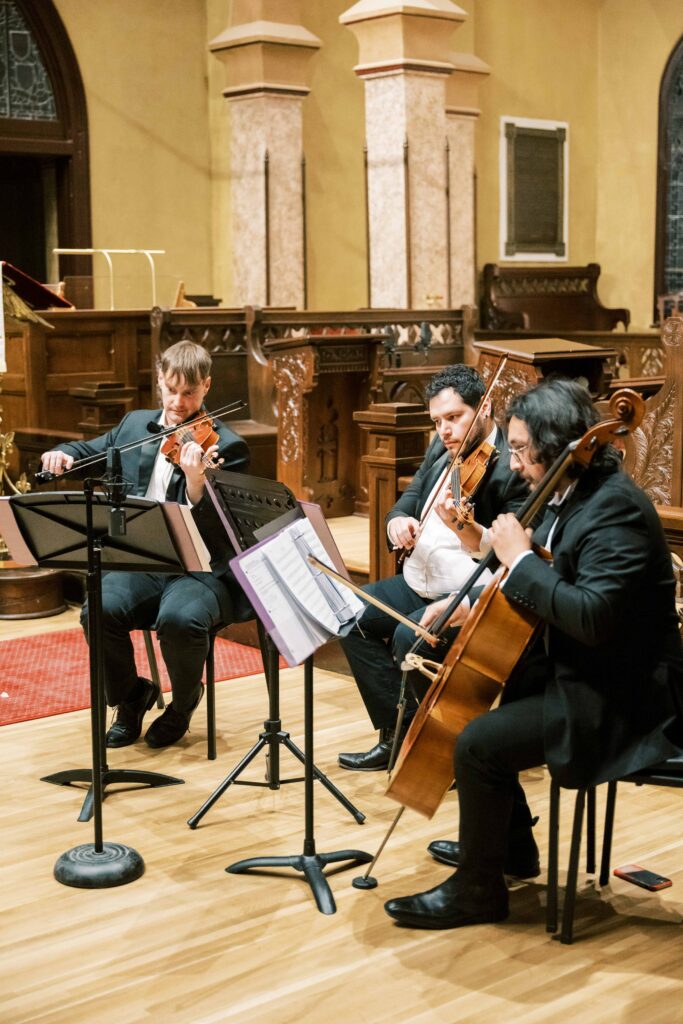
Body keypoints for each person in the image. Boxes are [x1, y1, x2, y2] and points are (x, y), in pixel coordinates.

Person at [384, 377, 683, 930]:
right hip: (577, 666)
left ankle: (479, 889)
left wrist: (519, 562)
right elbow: (534, 567)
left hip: (625, 693)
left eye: (521, 449)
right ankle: (505, 850)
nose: (514, 462)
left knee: (476, 743)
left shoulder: (614, 510)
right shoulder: (568, 494)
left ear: (557, 446)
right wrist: (470, 592)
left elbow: (591, 617)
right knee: (475, 691)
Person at [40, 339, 251, 749]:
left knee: (179, 619)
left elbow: (227, 530)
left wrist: (195, 483)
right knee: (98, 609)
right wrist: (62, 454)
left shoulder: (228, 447)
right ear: (159, 382)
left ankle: (185, 702)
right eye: (171, 390)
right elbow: (88, 451)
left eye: (189, 392)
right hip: (142, 559)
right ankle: (132, 695)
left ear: (206, 386)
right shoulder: (134, 427)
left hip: (201, 569)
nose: (178, 401)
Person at [338, 364, 529, 772]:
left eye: (454, 418)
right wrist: (397, 522)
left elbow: (510, 556)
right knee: (351, 617)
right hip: (416, 580)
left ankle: (446, 749)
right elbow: (409, 498)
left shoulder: (509, 465)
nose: (445, 430)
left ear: (485, 407)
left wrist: (465, 527)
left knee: (412, 636)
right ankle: (398, 734)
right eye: (437, 421)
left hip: (464, 592)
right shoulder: (441, 449)